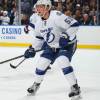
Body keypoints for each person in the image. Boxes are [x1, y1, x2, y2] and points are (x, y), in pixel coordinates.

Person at [24, 0, 81, 99]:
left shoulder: (57, 16)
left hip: (67, 45)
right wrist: (32, 49)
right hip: (51, 46)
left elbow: (74, 25)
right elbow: (39, 39)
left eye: (41, 6)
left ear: (47, 7)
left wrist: (66, 35)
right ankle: (36, 84)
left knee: (62, 60)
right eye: (37, 7)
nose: (38, 9)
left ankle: (75, 87)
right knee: (41, 64)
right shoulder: (38, 23)